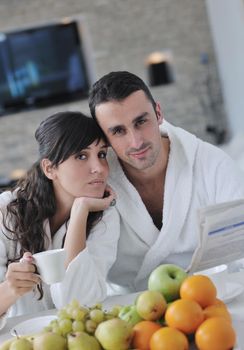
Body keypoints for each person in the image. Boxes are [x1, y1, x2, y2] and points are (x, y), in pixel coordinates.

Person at [88, 71, 244, 294]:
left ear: (158, 113)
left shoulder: (211, 163)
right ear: (105, 137)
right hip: (130, 305)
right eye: (118, 131)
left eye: (141, 121)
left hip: (210, 294)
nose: (136, 141)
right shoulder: (98, 182)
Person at [0, 111, 119, 318]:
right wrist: (10, 289)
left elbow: (80, 303)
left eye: (101, 154)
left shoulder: (105, 217)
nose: (99, 168)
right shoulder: (6, 212)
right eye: (81, 156)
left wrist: (80, 210)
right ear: (49, 168)